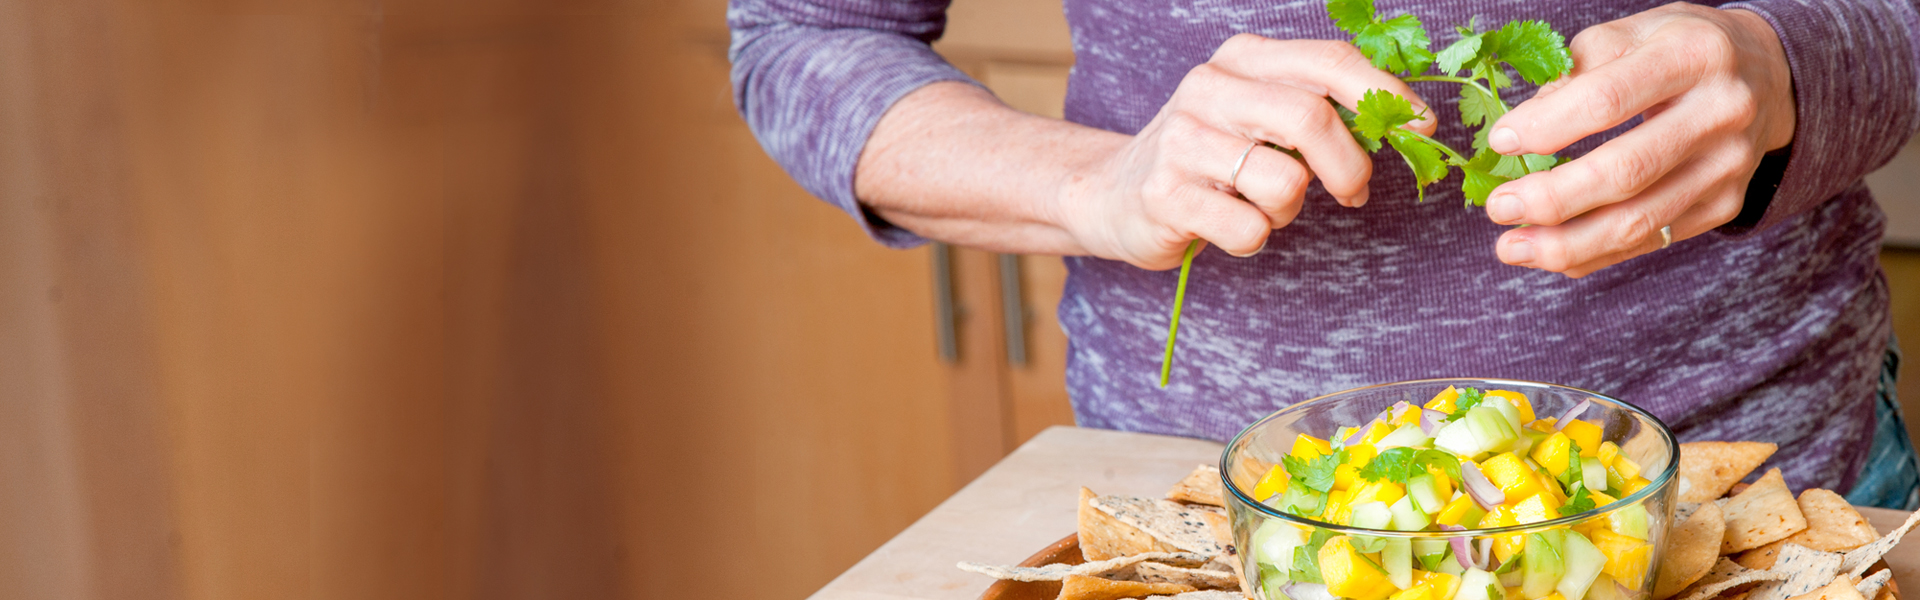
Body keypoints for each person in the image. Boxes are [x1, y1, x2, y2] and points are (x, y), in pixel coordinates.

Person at [728, 0, 1920, 508]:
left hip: (1757, 497)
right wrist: (1092, 184)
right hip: (1216, 523)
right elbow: (803, 33)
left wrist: (1792, 66)